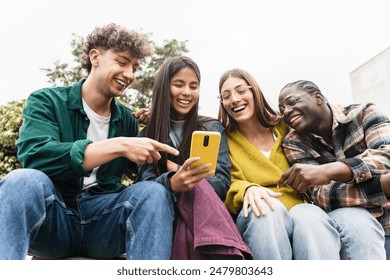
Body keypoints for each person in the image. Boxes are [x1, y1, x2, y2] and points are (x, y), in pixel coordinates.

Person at [0, 23, 180, 260]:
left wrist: (164, 128)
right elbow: (36, 155)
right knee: (22, 181)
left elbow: (143, 169)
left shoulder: (127, 120)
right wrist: (119, 145)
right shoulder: (47, 101)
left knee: (154, 193)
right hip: (55, 220)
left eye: (135, 68)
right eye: (122, 62)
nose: (130, 75)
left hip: (104, 223)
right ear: (95, 57)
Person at [218, 68, 343, 260]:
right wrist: (247, 189)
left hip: (299, 206)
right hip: (257, 212)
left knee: (310, 216)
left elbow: (321, 134)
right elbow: (225, 182)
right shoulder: (224, 140)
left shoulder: (286, 126)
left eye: (241, 91)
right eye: (226, 96)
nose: (234, 99)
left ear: (254, 92)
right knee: (267, 211)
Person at [138, 56, 252, 259]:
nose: (187, 93)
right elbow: (146, 186)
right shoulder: (146, 136)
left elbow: (222, 183)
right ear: (164, 88)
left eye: (193, 86)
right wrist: (173, 183)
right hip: (168, 217)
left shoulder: (212, 128)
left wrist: (178, 171)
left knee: (189, 229)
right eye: (178, 85)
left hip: (205, 217)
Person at [278, 79, 388, 259]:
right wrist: (382, 186)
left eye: (292, 102)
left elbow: (387, 155)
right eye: (282, 109)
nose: (286, 111)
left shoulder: (364, 113)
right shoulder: (293, 143)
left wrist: (331, 171)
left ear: (318, 97)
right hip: (349, 230)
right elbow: (322, 196)